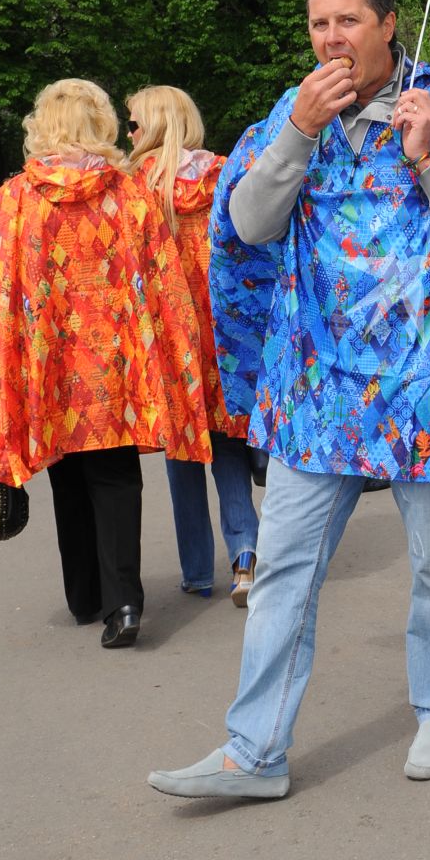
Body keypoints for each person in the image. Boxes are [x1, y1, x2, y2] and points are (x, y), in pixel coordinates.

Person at [147, 0, 430, 801]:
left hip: (425, 384)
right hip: (316, 386)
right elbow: (244, 227)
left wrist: (426, 162)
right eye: (317, 25)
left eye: (346, 22)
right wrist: (296, 136)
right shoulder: (294, 110)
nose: (330, 39)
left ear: (387, 24)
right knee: (282, 569)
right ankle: (254, 752)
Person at [0, 79, 209, 647]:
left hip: (50, 373)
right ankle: (125, 603)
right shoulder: (129, 194)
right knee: (117, 479)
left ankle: (85, 596)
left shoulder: (13, 200)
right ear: (98, 125)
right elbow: (165, 282)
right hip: (117, 373)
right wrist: (177, 357)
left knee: (67, 479)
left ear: (42, 125)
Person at [128, 86, 260, 606]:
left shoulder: (139, 185)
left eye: (135, 124)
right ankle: (245, 557)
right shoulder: (226, 172)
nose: (128, 133)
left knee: (181, 453)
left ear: (156, 126)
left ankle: (196, 571)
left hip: (169, 335)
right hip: (224, 332)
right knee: (227, 447)